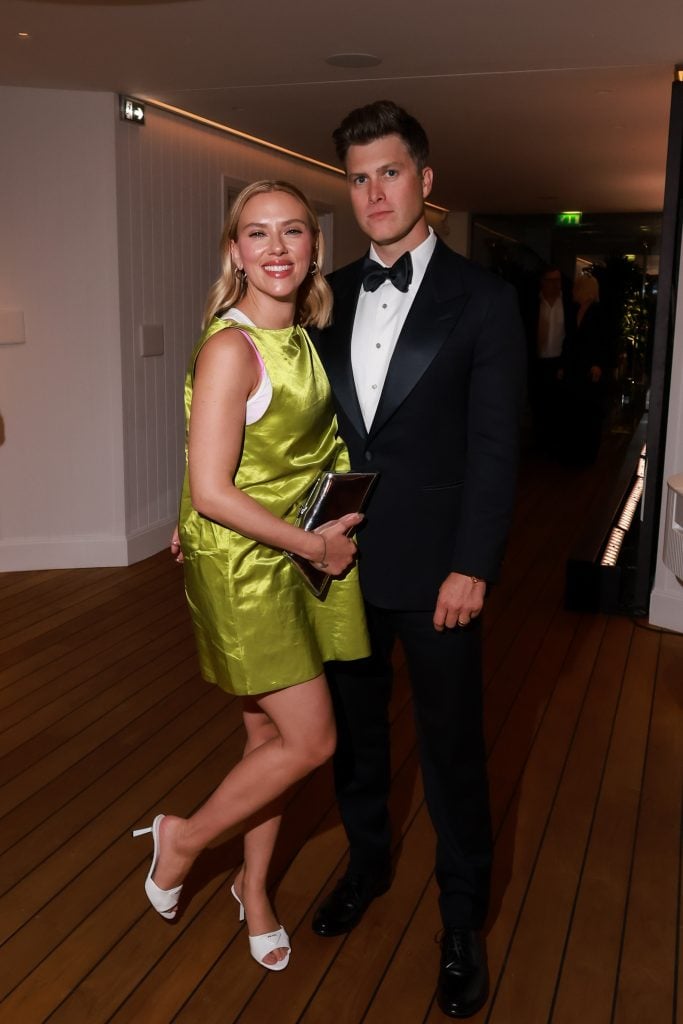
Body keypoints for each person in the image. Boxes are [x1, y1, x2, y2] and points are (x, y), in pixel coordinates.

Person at [310, 101, 525, 1018]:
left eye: (389, 172)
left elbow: (493, 447)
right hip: (339, 563)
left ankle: (460, 920)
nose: (373, 193)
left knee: (450, 755)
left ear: (425, 181)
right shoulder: (326, 297)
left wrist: (472, 564)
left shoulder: (483, 300)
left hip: (439, 574)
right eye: (358, 178)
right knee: (356, 745)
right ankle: (366, 866)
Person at [134, 180, 369, 972]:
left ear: (313, 249)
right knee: (313, 740)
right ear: (234, 252)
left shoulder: (300, 337)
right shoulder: (230, 343)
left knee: (267, 737)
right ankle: (186, 837)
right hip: (249, 567)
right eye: (257, 234)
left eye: (292, 232)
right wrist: (314, 549)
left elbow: (254, 454)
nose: (275, 248)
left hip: (292, 550)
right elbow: (212, 489)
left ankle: (255, 889)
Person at [557, 273, 608, 463]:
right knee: (574, 410)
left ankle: (587, 454)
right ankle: (573, 452)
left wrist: (598, 365)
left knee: (589, 412)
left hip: (589, 370)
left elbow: (604, 342)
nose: (572, 291)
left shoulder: (599, 312)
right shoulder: (575, 310)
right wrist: (563, 364)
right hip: (574, 367)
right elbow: (568, 340)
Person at [525, 264, 572, 453]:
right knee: (538, 404)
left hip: (558, 362)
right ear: (542, 282)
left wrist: (565, 362)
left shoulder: (567, 304)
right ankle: (540, 444)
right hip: (538, 362)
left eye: (557, 281)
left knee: (557, 405)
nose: (555, 285)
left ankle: (555, 445)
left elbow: (571, 335)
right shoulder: (533, 304)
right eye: (550, 281)